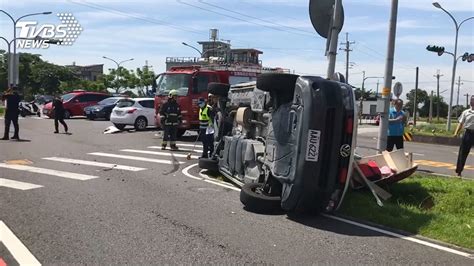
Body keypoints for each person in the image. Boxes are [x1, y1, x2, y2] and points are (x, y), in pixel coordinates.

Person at [454, 95, 474, 177]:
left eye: (473, 100)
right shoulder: (466, 112)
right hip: (468, 134)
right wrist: (456, 132)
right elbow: (461, 123)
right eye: (471, 100)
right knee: (462, 153)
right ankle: (459, 171)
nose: (472, 101)